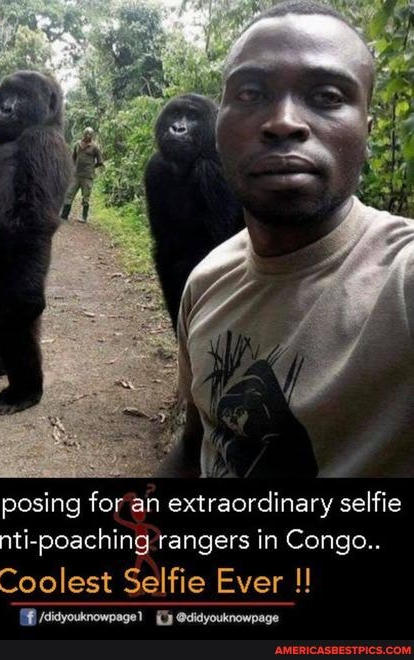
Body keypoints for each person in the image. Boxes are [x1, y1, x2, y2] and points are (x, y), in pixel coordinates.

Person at [157, 0, 414, 478]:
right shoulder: (207, 281)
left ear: (367, 132)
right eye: (252, 94)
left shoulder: (401, 277)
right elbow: (197, 448)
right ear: (220, 129)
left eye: (328, 96)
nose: (283, 122)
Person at [61, 127, 104, 223]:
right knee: (69, 194)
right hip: (76, 175)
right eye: (86, 134)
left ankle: (84, 217)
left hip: (87, 176)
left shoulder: (94, 147)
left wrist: (92, 166)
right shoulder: (77, 145)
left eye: (90, 134)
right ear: (83, 134)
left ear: (92, 136)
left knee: (86, 197)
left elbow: (100, 162)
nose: (88, 136)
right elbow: (73, 158)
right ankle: (64, 215)